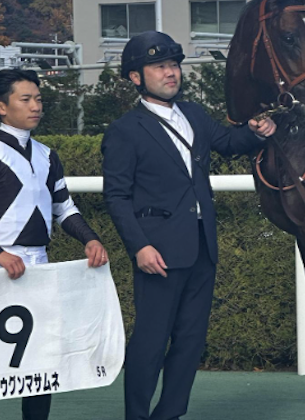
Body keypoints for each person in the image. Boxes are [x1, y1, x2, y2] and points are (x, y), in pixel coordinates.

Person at [101, 31, 276, 420]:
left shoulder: (194, 113)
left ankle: (170, 414)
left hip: (201, 245)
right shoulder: (124, 130)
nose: (171, 72)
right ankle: (136, 415)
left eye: (174, 65)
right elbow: (116, 196)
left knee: (191, 340)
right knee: (151, 341)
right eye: (159, 66)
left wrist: (255, 131)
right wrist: (139, 247)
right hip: (158, 251)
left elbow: (228, 143)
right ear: (135, 77)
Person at [0, 69, 108, 420]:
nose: (36, 106)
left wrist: (90, 238)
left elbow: (65, 209)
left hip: (39, 267)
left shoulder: (47, 155)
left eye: (38, 99)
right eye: (26, 99)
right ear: (0, 107)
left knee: (42, 366)